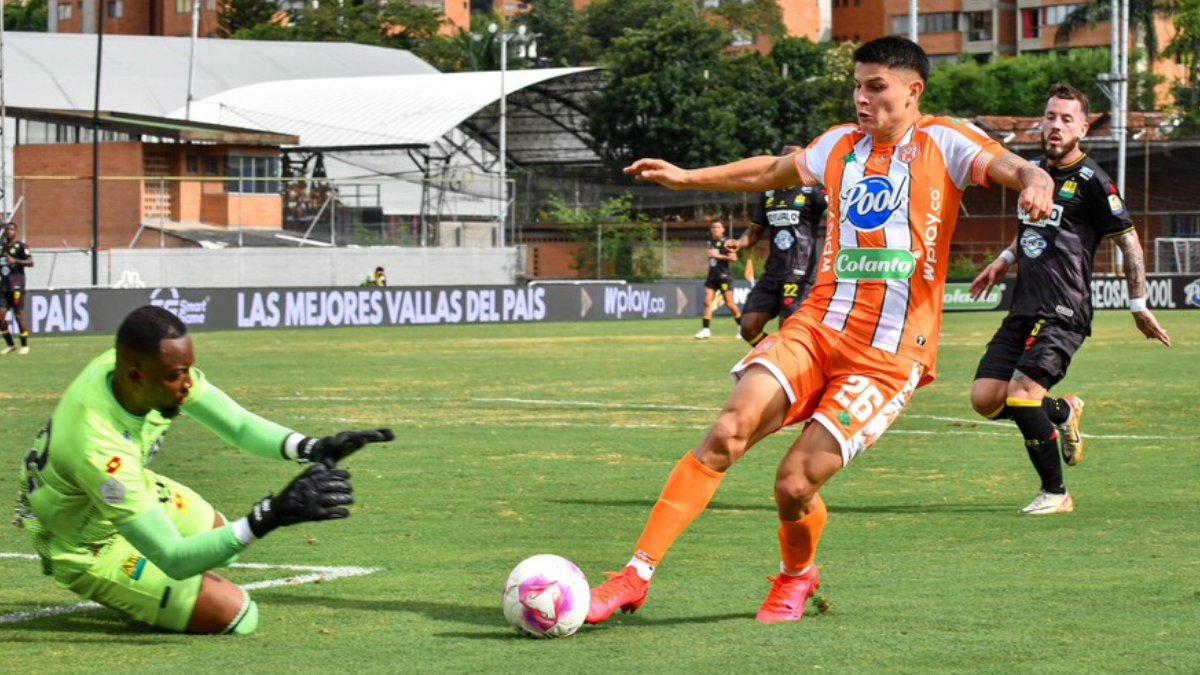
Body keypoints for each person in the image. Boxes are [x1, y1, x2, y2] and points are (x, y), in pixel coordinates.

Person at [585, 36, 1055, 625]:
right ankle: (634, 576)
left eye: (876, 86)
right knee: (727, 431)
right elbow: (771, 169)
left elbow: (1013, 165)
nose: (862, 98)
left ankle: (796, 577)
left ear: (914, 91)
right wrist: (685, 178)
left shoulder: (945, 141)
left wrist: (1035, 179)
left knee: (793, 483)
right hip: (817, 324)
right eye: (857, 85)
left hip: (887, 355)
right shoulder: (838, 145)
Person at [13, 305, 394, 634]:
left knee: (221, 544)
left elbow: (238, 425)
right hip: (85, 544)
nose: (187, 384)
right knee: (239, 614)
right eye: (176, 375)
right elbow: (175, 558)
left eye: (188, 370)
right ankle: (134, 593)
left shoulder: (137, 371)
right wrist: (270, 516)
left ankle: (159, 589)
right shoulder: (101, 450)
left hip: (121, 489)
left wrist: (312, 446)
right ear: (135, 375)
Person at [968, 83, 1170, 515]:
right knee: (986, 399)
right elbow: (1032, 231)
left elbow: (1130, 243)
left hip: (1063, 310)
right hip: (1024, 305)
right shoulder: (1032, 172)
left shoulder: (1093, 181)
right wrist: (1003, 260)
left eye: (1065, 119)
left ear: (1082, 127)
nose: (1055, 125)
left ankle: (1056, 493)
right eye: (1050, 116)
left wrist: (1138, 304)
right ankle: (1062, 410)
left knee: (1022, 396)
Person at [726, 147, 828, 346]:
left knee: (788, 330)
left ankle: (787, 369)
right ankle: (775, 359)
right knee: (748, 327)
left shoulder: (812, 191)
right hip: (772, 273)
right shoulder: (769, 194)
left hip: (799, 274)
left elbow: (837, 210)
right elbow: (754, 233)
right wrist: (738, 243)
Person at [695, 220, 743, 339]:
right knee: (707, 301)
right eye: (713, 227)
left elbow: (734, 258)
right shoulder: (710, 242)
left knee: (729, 303)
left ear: (723, 230)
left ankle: (741, 328)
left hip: (724, 276)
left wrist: (718, 256)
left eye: (718, 227)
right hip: (712, 275)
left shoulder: (727, 242)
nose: (715, 229)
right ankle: (706, 330)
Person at [1, 221, 34, 355]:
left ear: (15, 232)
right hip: (3, 287)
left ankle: (24, 345)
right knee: (0, 317)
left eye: (11, 230)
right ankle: (10, 344)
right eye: (7, 229)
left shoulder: (20, 246)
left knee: (18, 315)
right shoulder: (2, 247)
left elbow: (31, 262)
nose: (9, 232)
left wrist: (16, 261)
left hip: (16, 286)